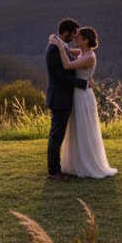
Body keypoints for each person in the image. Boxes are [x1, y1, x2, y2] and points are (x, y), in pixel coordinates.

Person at [48, 26, 117, 179]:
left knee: (85, 129)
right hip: (77, 94)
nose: (75, 38)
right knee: (77, 129)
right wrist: (57, 40)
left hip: (84, 95)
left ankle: (88, 165)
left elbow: (67, 65)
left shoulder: (90, 56)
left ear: (86, 40)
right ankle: (77, 163)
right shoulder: (82, 52)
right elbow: (67, 49)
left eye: (78, 37)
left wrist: (58, 45)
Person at [45, 19, 89, 181]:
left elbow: (72, 54)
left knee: (57, 135)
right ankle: (54, 171)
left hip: (60, 97)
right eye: (74, 33)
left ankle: (55, 169)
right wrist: (84, 83)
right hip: (60, 98)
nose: (74, 36)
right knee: (56, 136)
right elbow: (64, 77)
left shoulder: (60, 46)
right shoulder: (55, 50)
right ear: (67, 32)